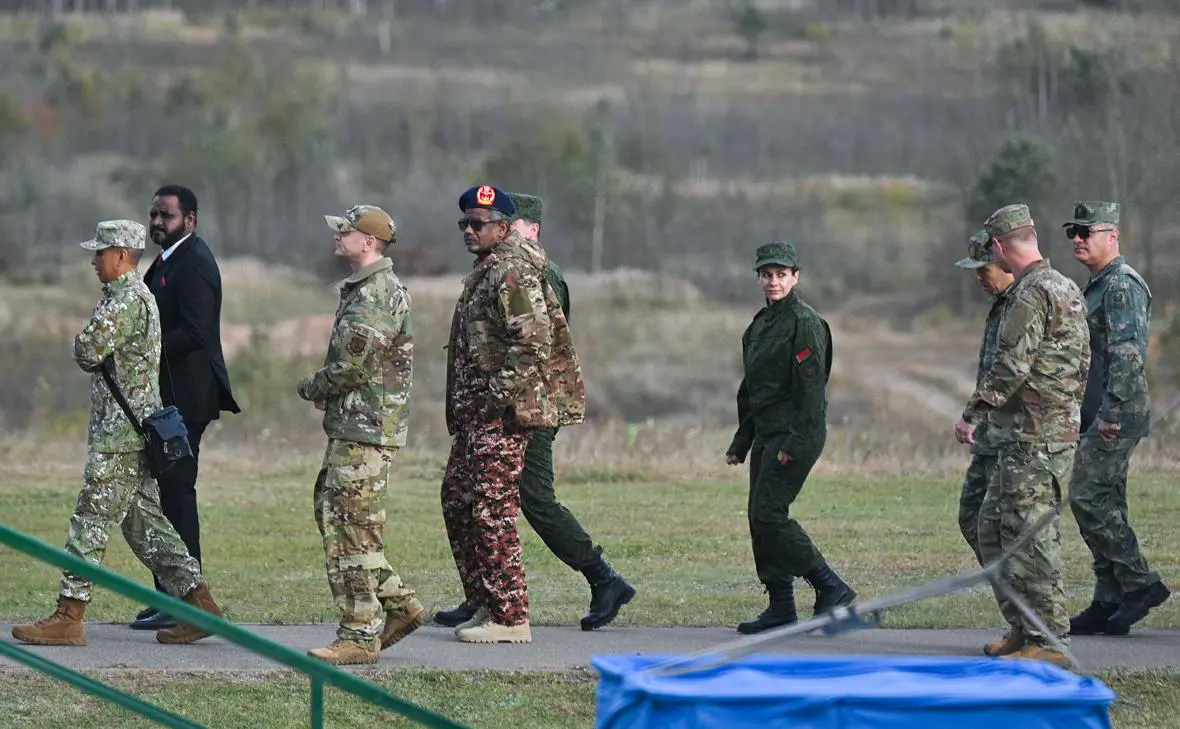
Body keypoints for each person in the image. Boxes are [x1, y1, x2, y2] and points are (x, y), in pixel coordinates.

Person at [12, 220, 225, 648]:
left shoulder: (125, 301)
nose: (94, 261)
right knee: (147, 527)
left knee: (89, 520)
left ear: (123, 256)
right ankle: (201, 607)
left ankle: (69, 616)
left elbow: (87, 350)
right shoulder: (134, 298)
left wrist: (82, 341)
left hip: (119, 438)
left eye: (100, 252)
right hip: (130, 432)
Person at [433, 191, 634, 633]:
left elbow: (532, 341)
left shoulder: (512, 273)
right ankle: (486, 599)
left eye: (479, 224)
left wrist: (497, 397)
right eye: (464, 224)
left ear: (505, 228)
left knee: (509, 504)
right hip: (484, 414)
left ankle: (514, 612)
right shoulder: (487, 270)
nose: (469, 230)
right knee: (460, 500)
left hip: (514, 413)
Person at [954, 203, 1089, 668]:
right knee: (994, 529)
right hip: (1033, 434)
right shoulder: (1063, 287)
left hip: (1035, 437)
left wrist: (972, 414)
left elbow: (1011, 365)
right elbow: (1080, 365)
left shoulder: (1033, 294)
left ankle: (1049, 639)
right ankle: (1026, 627)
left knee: (1030, 535)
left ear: (999, 246)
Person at [297, 205, 423, 665]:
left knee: (350, 530)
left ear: (368, 242)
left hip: (365, 429)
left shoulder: (374, 295)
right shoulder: (366, 289)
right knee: (338, 516)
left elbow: (351, 366)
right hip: (357, 426)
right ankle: (399, 603)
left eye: (345, 232)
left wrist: (312, 386)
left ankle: (358, 635)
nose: (338, 237)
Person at [725, 241, 857, 635]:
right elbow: (753, 391)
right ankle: (781, 605)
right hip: (766, 432)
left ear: (795, 277)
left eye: (782, 274)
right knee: (758, 518)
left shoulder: (805, 322)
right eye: (767, 274)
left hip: (795, 433)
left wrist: (795, 444)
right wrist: (741, 441)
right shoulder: (759, 326)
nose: (773, 281)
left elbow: (812, 392)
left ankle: (831, 585)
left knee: (770, 514)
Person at [131, 184, 241, 631]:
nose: (158, 222)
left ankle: (187, 601)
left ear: (189, 220)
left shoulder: (194, 263)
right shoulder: (167, 259)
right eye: (154, 214)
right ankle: (170, 595)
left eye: (167, 216)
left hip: (187, 401)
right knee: (164, 496)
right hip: (168, 399)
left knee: (178, 496)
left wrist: (145, 349)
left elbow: (196, 332)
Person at [1062, 201, 1171, 636]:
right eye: (1074, 232)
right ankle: (1108, 600)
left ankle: (1141, 584)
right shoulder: (1098, 286)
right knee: (1107, 502)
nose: (1078, 239)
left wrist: (1109, 413)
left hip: (1115, 412)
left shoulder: (1121, 286)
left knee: (1087, 496)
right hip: (1101, 410)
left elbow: (1128, 355)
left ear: (1113, 237)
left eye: (1087, 232)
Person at [954, 231, 1016, 565]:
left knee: (1000, 526)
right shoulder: (1000, 306)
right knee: (972, 517)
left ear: (1005, 262)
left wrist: (971, 415)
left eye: (984, 268)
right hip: (989, 433)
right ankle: (1013, 596)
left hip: (1015, 435)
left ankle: (1026, 604)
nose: (979, 276)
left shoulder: (1025, 305)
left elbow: (1010, 370)